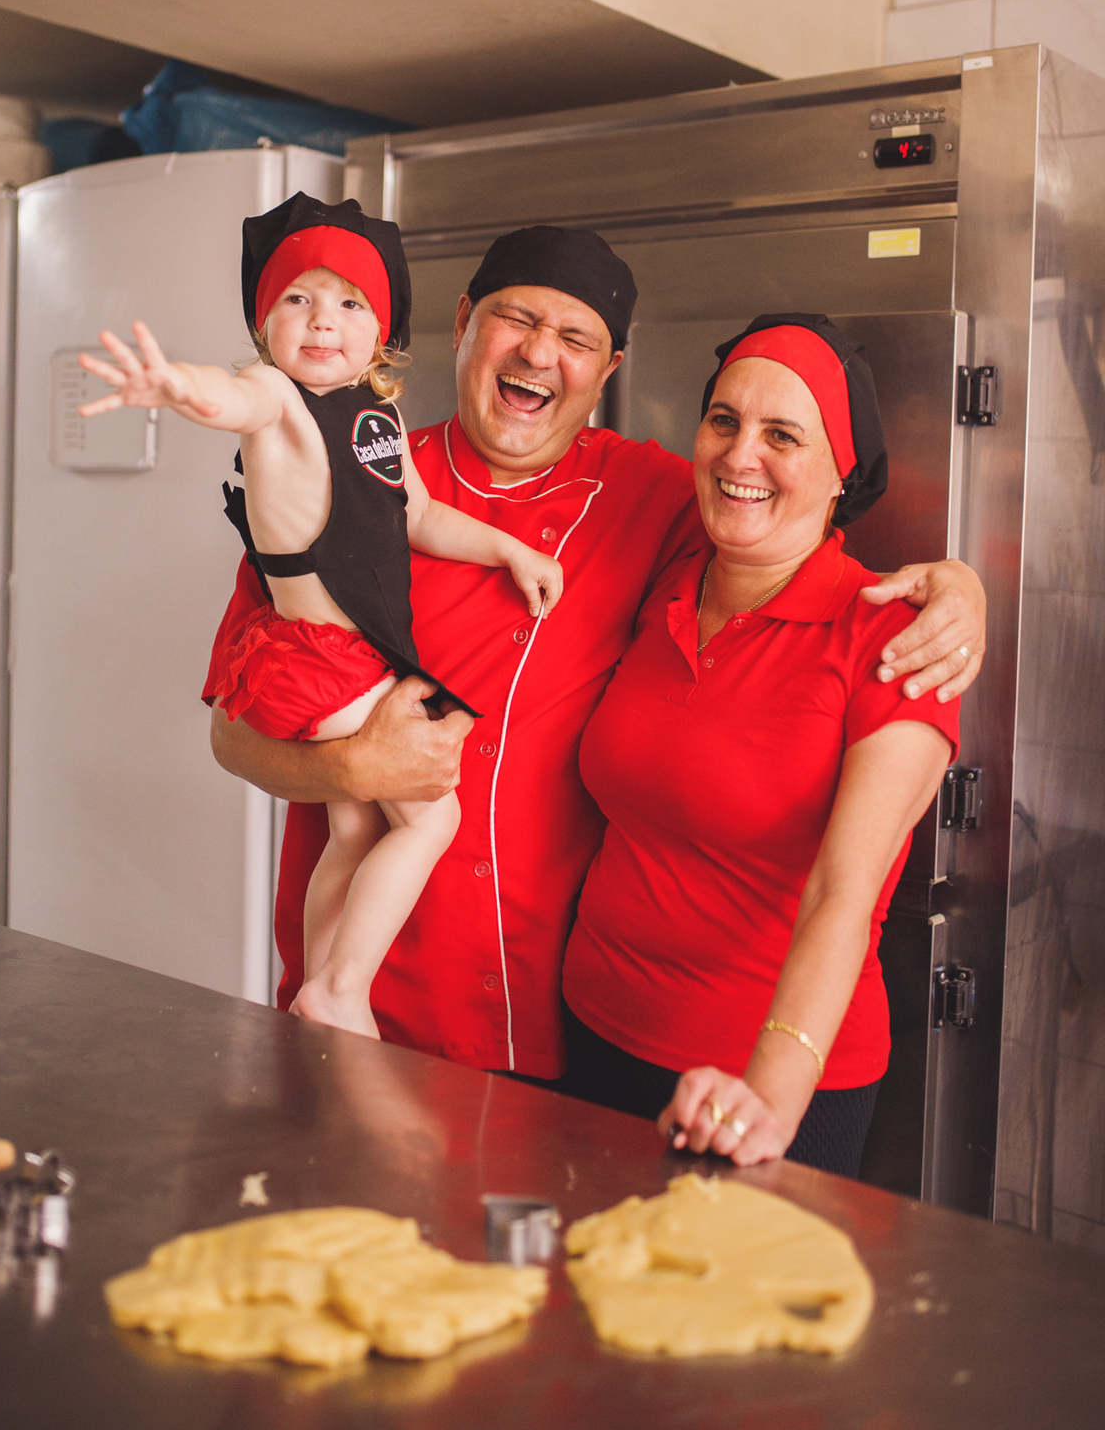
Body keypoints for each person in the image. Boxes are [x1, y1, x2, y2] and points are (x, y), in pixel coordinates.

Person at [210, 228, 988, 1081]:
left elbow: (797, 541)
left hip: (554, 1016)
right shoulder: (340, 472)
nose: (540, 353)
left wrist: (960, 585)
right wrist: (357, 768)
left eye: (576, 339)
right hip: (357, 999)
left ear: (608, 369)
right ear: (464, 321)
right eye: (516, 319)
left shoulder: (658, 496)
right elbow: (231, 735)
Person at [78, 194, 560, 1038]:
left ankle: (319, 998)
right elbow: (228, 400)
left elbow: (416, 517)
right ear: (265, 326)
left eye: (350, 303)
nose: (323, 322)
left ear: (383, 332)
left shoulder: (378, 417)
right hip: (311, 656)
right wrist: (174, 387)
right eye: (297, 299)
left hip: (350, 657)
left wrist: (507, 550)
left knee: (354, 825)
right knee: (434, 813)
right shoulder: (275, 396)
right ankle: (342, 989)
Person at [560, 315, 959, 1178]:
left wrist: (768, 1099)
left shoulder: (892, 643)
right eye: (725, 421)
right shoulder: (666, 579)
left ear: (842, 471)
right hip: (592, 1036)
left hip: (763, 1080)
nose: (742, 457)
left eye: (784, 435)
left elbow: (843, 897)